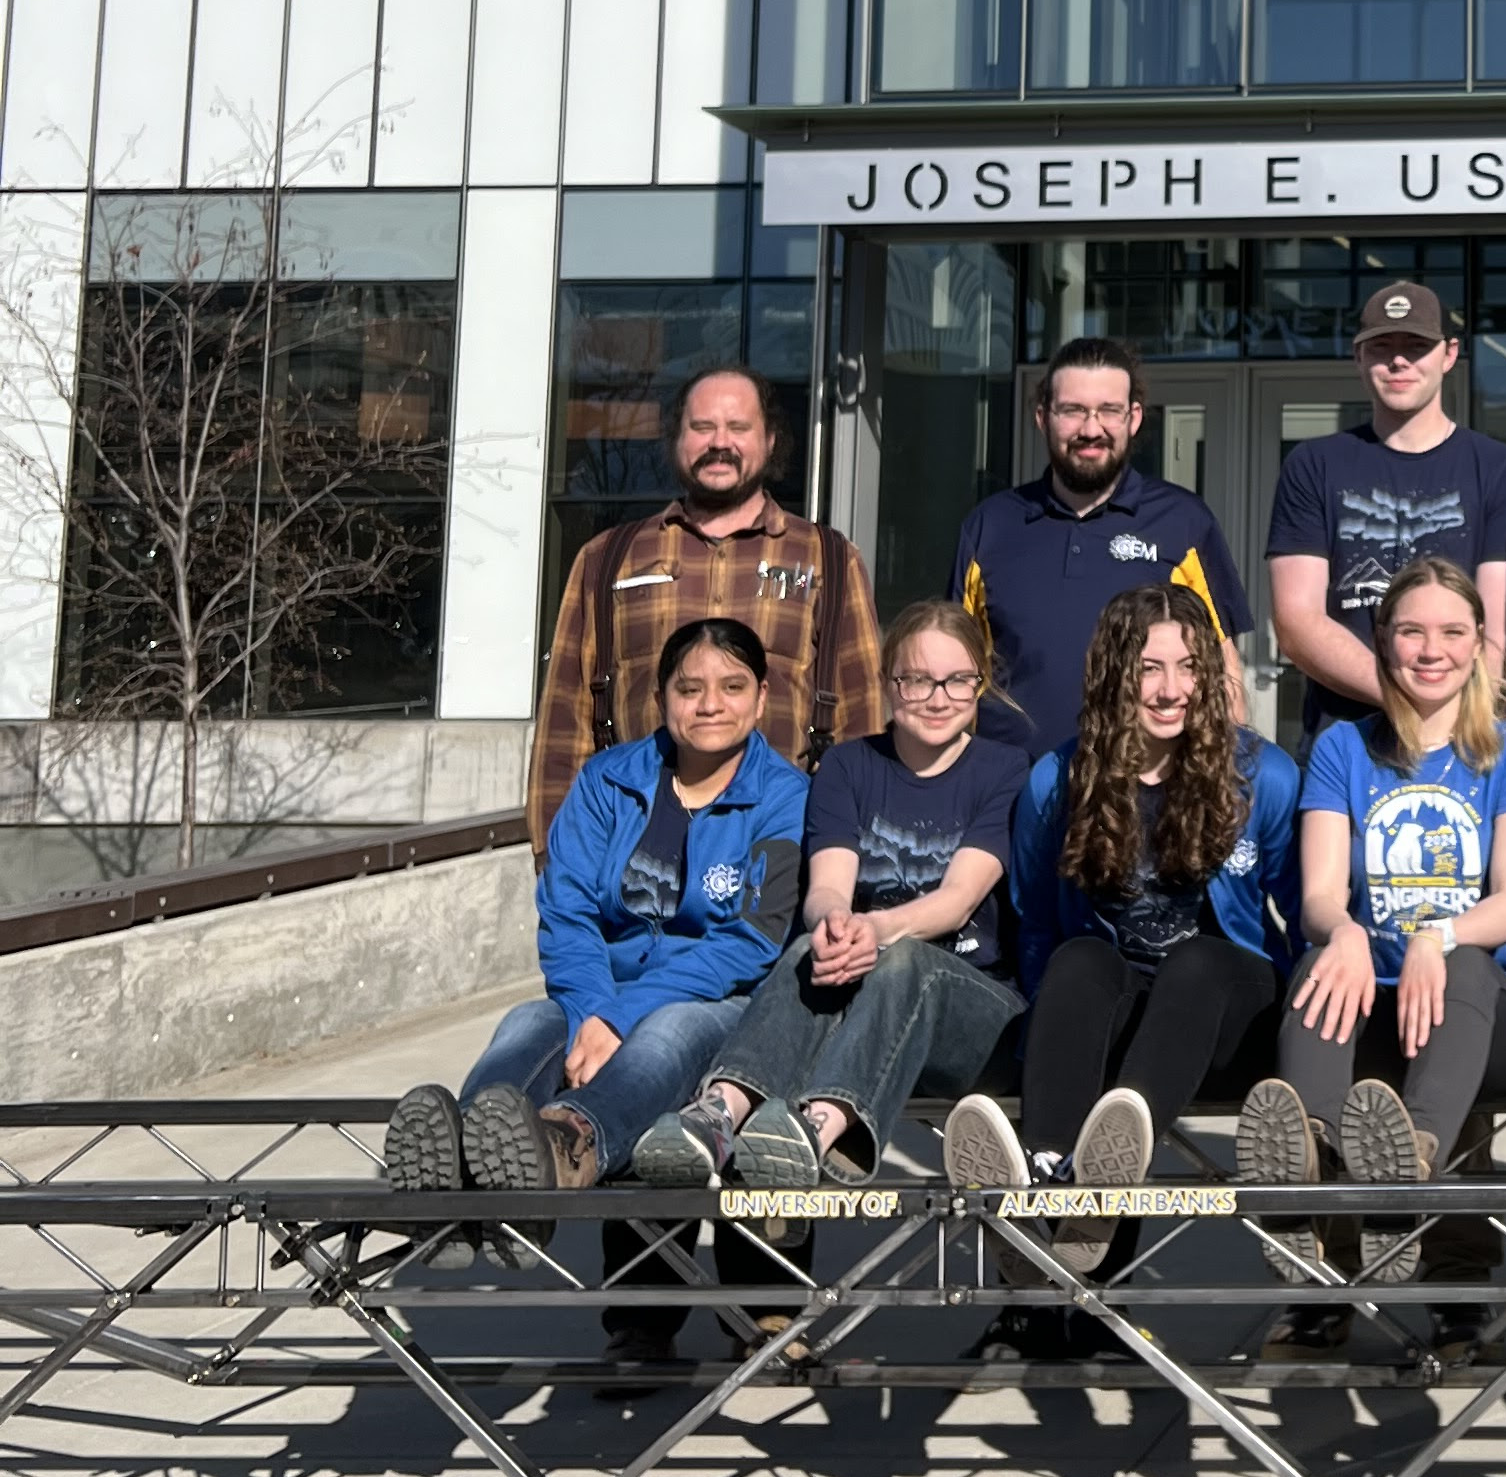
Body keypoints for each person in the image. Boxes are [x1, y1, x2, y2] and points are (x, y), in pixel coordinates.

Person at [388, 617, 806, 1194]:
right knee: (529, 1022)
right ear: (662, 699)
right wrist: (592, 1010)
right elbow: (567, 912)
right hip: (603, 989)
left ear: (762, 698)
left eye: (732, 687)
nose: (710, 704)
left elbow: (751, 940)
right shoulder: (607, 781)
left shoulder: (786, 797)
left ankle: (568, 1142)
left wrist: (620, 1017)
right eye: (689, 689)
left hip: (716, 1002)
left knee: (666, 1033)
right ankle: (462, 1161)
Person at [949, 586, 1301, 1269]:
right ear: (1114, 674)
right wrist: (1041, 1037)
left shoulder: (1265, 775)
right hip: (1122, 1011)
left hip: (1228, 1012)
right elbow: (1036, 924)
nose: (1172, 689)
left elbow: (1308, 912)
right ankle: (1057, 1177)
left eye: (1190, 667)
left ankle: (1076, 1195)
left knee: (1195, 960)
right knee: (1078, 959)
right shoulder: (1059, 779)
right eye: (1149, 669)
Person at [626, 599, 1028, 1194]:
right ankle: (720, 1112)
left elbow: (958, 901)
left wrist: (875, 930)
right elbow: (828, 889)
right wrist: (837, 924)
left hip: (972, 1007)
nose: (939, 698)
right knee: (807, 951)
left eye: (958, 680)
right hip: (862, 993)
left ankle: (817, 1129)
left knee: (906, 959)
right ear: (891, 683)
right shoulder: (848, 766)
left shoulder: (1003, 768)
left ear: (979, 683)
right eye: (918, 681)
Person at [1234, 556, 1506, 1219]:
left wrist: (1434, 938)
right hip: (1369, 1009)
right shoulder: (1342, 748)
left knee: (1463, 962)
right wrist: (1344, 931)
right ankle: (1309, 1159)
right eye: (1411, 632)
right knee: (1321, 960)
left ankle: (1412, 1156)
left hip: (1476, 1020)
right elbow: (1319, 894)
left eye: (1452, 632)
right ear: (1382, 640)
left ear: (1480, 643)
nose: (1431, 650)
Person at [525, 363, 881, 859]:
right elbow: (564, 723)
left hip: (783, 853)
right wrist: (556, 865)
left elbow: (862, 725)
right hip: (630, 850)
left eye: (739, 428)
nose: (720, 442)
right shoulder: (606, 559)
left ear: (770, 440)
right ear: (677, 439)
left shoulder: (830, 560)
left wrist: (848, 871)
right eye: (702, 427)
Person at [951, 334, 1249, 754]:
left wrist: (1227, 776)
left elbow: (1222, 667)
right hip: (1009, 794)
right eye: (1073, 411)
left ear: (1134, 417)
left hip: (1143, 791)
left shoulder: (1184, 524)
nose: (1091, 430)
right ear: (1043, 417)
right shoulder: (990, 526)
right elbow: (953, 670)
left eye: (1109, 410)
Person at [1266, 279, 1506, 732]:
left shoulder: (1502, 470)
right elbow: (1297, 622)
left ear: (1449, 355)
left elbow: (1498, 635)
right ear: (1358, 357)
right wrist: (1408, 701)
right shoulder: (1313, 465)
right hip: (1346, 736)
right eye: (1381, 346)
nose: (1398, 360)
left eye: (1416, 345)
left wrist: (1450, 719)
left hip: (1465, 734)